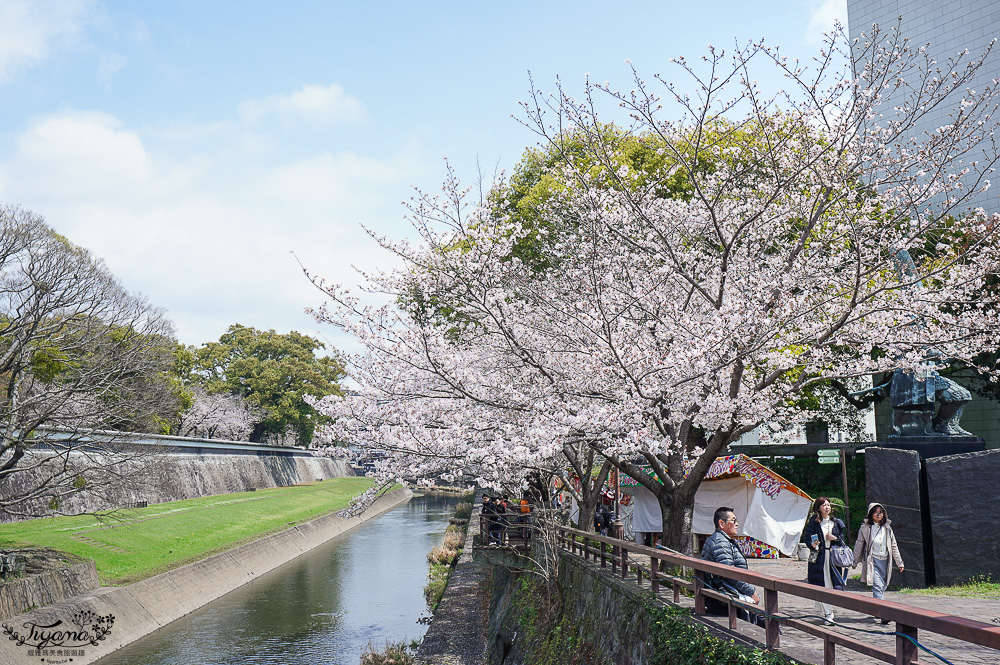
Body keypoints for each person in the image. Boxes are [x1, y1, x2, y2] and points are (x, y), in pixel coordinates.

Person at [701, 506, 760, 623]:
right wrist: (751, 591)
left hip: (721, 592)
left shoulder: (720, 539)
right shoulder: (721, 542)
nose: (737, 524)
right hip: (722, 597)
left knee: (764, 617)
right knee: (767, 619)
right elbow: (729, 573)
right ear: (721, 523)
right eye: (733, 520)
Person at [852, 502, 904, 623]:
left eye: (881, 512)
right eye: (876, 512)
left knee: (882, 586)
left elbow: (893, 546)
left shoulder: (887, 528)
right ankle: (883, 614)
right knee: (877, 587)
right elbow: (859, 544)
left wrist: (899, 562)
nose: (879, 514)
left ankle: (877, 609)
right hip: (872, 561)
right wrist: (855, 561)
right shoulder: (865, 528)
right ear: (871, 514)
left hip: (886, 561)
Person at [804, 497, 847, 624]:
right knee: (822, 585)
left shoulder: (836, 522)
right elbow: (808, 539)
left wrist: (834, 538)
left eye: (828, 505)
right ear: (818, 508)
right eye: (824, 505)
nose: (827, 507)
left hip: (833, 558)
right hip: (819, 558)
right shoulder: (814, 522)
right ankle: (828, 613)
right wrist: (812, 544)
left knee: (832, 585)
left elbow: (842, 541)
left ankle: (827, 612)